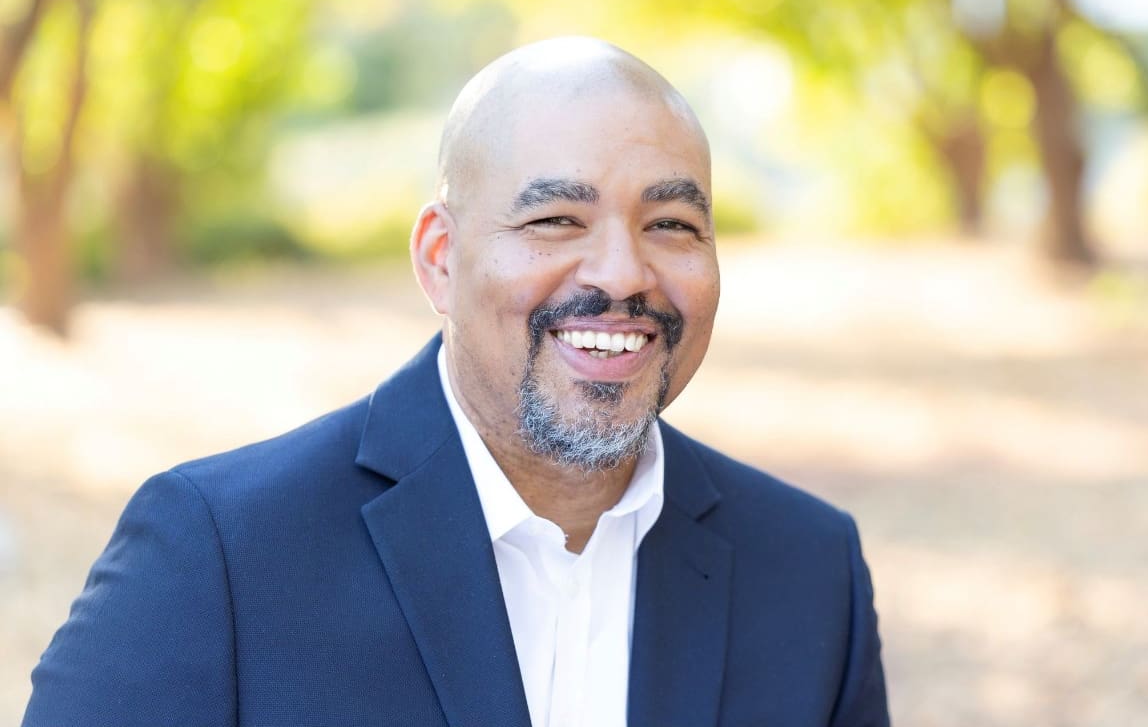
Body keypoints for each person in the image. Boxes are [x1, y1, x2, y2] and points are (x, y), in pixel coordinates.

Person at [23, 37, 889, 726]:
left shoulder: (812, 572)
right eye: (556, 218)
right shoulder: (219, 554)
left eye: (671, 222)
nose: (623, 272)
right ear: (441, 259)